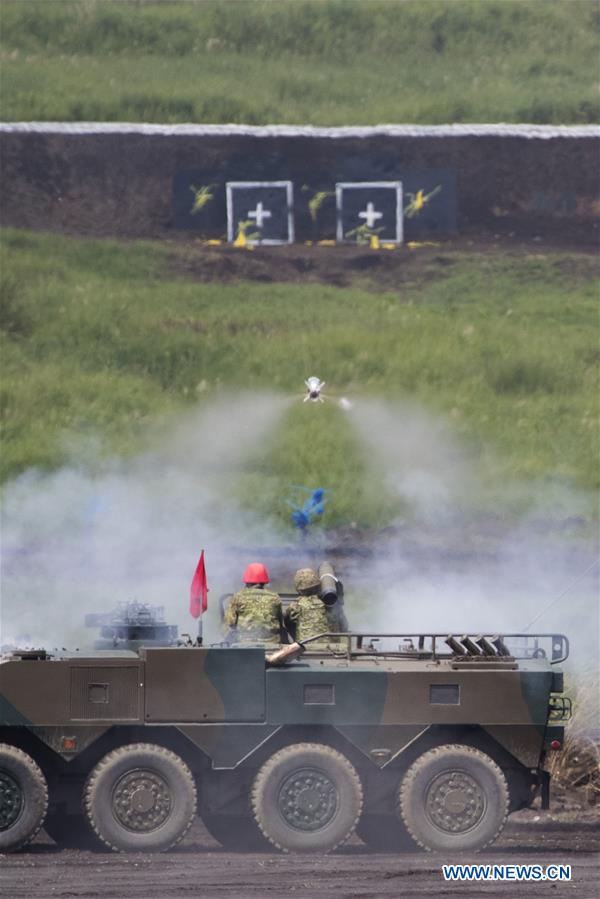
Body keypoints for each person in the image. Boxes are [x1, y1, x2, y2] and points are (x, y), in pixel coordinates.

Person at [224, 563, 283, 646]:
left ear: (247, 580)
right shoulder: (275, 597)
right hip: (271, 645)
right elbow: (280, 622)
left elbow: (229, 623)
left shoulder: (238, 597)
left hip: (244, 645)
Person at [285, 568, 343, 649]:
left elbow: (287, 623)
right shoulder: (330, 602)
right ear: (318, 585)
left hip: (306, 649)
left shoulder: (296, 605)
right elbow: (343, 627)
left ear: (298, 588)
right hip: (332, 649)